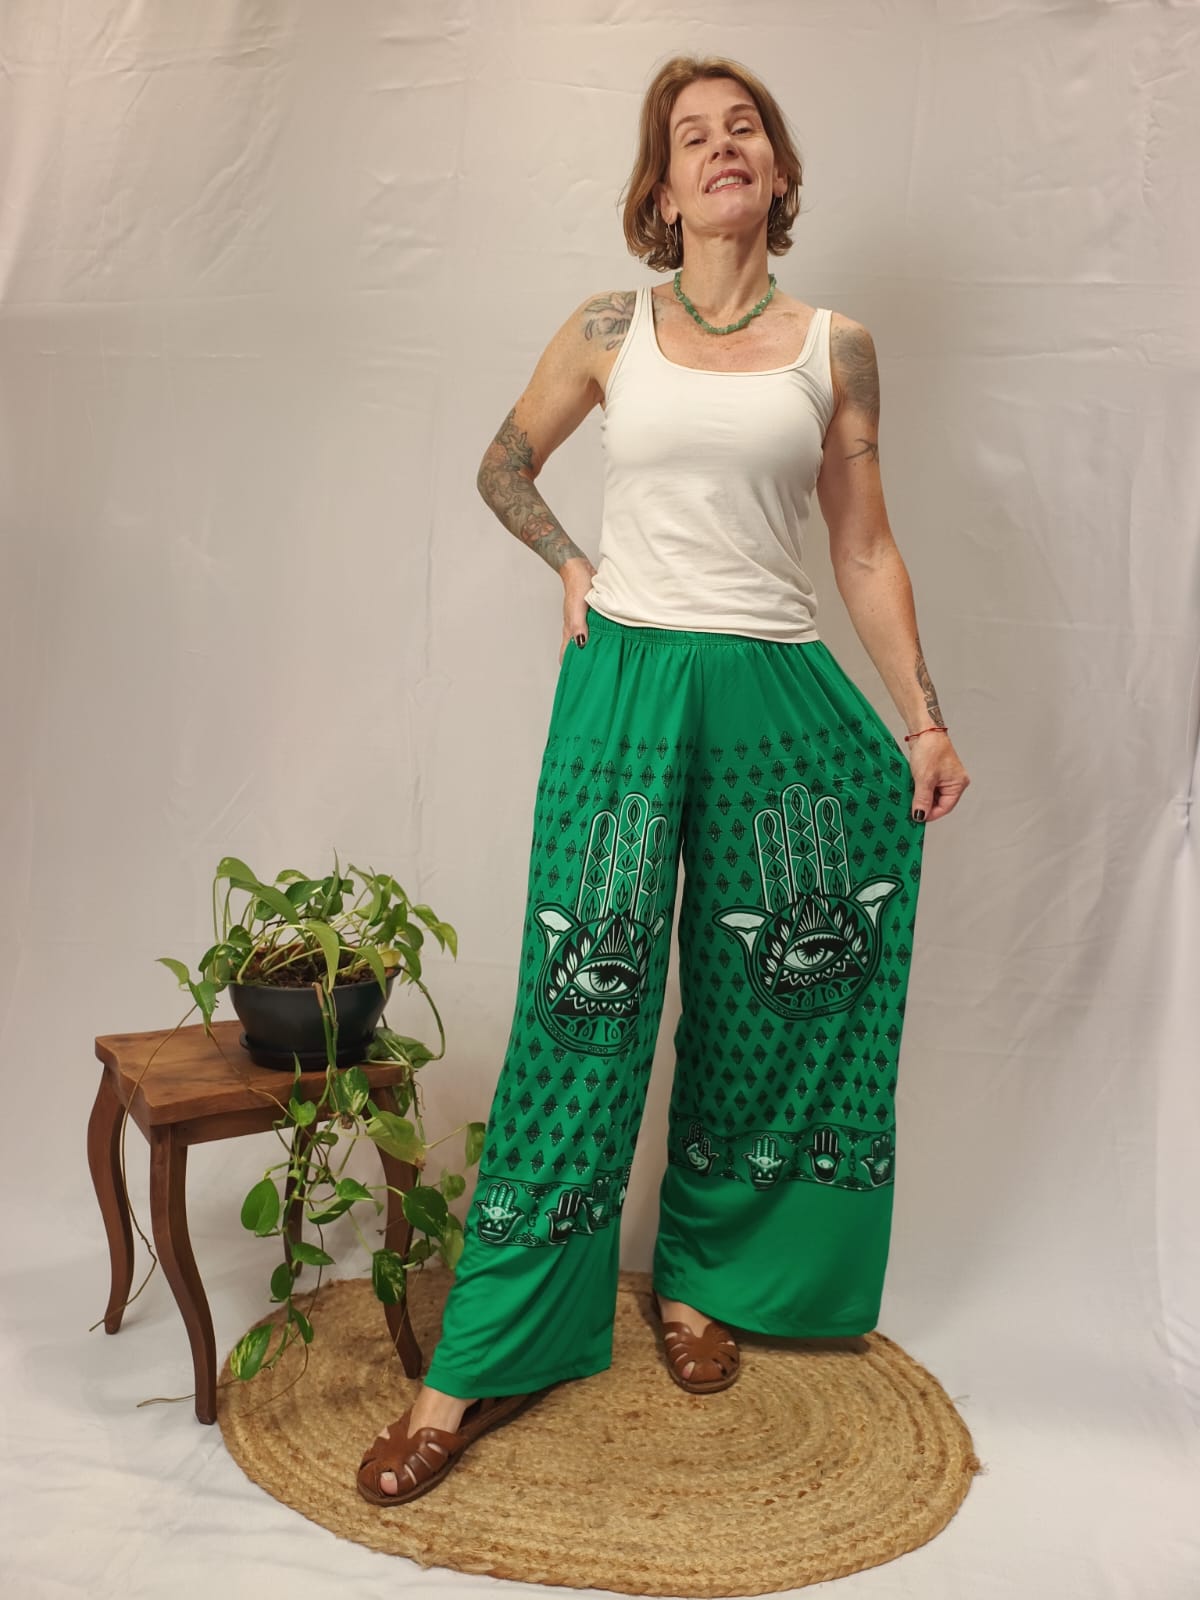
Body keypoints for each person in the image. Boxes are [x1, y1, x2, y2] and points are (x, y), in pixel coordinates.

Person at [357, 53, 970, 1506]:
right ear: (662, 184)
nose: (720, 147)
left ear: (777, 166)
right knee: (587, 1003)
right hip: (626, 690)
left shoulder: (838, 346)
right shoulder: (606, 326)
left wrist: (922, 721)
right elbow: (504, 464)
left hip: (772, 693)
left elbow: (863, 548)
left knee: (768, 1000)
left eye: (743, 127)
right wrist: (572, 563)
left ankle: (704, 1279)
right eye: (691, 136)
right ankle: (486, 1355)